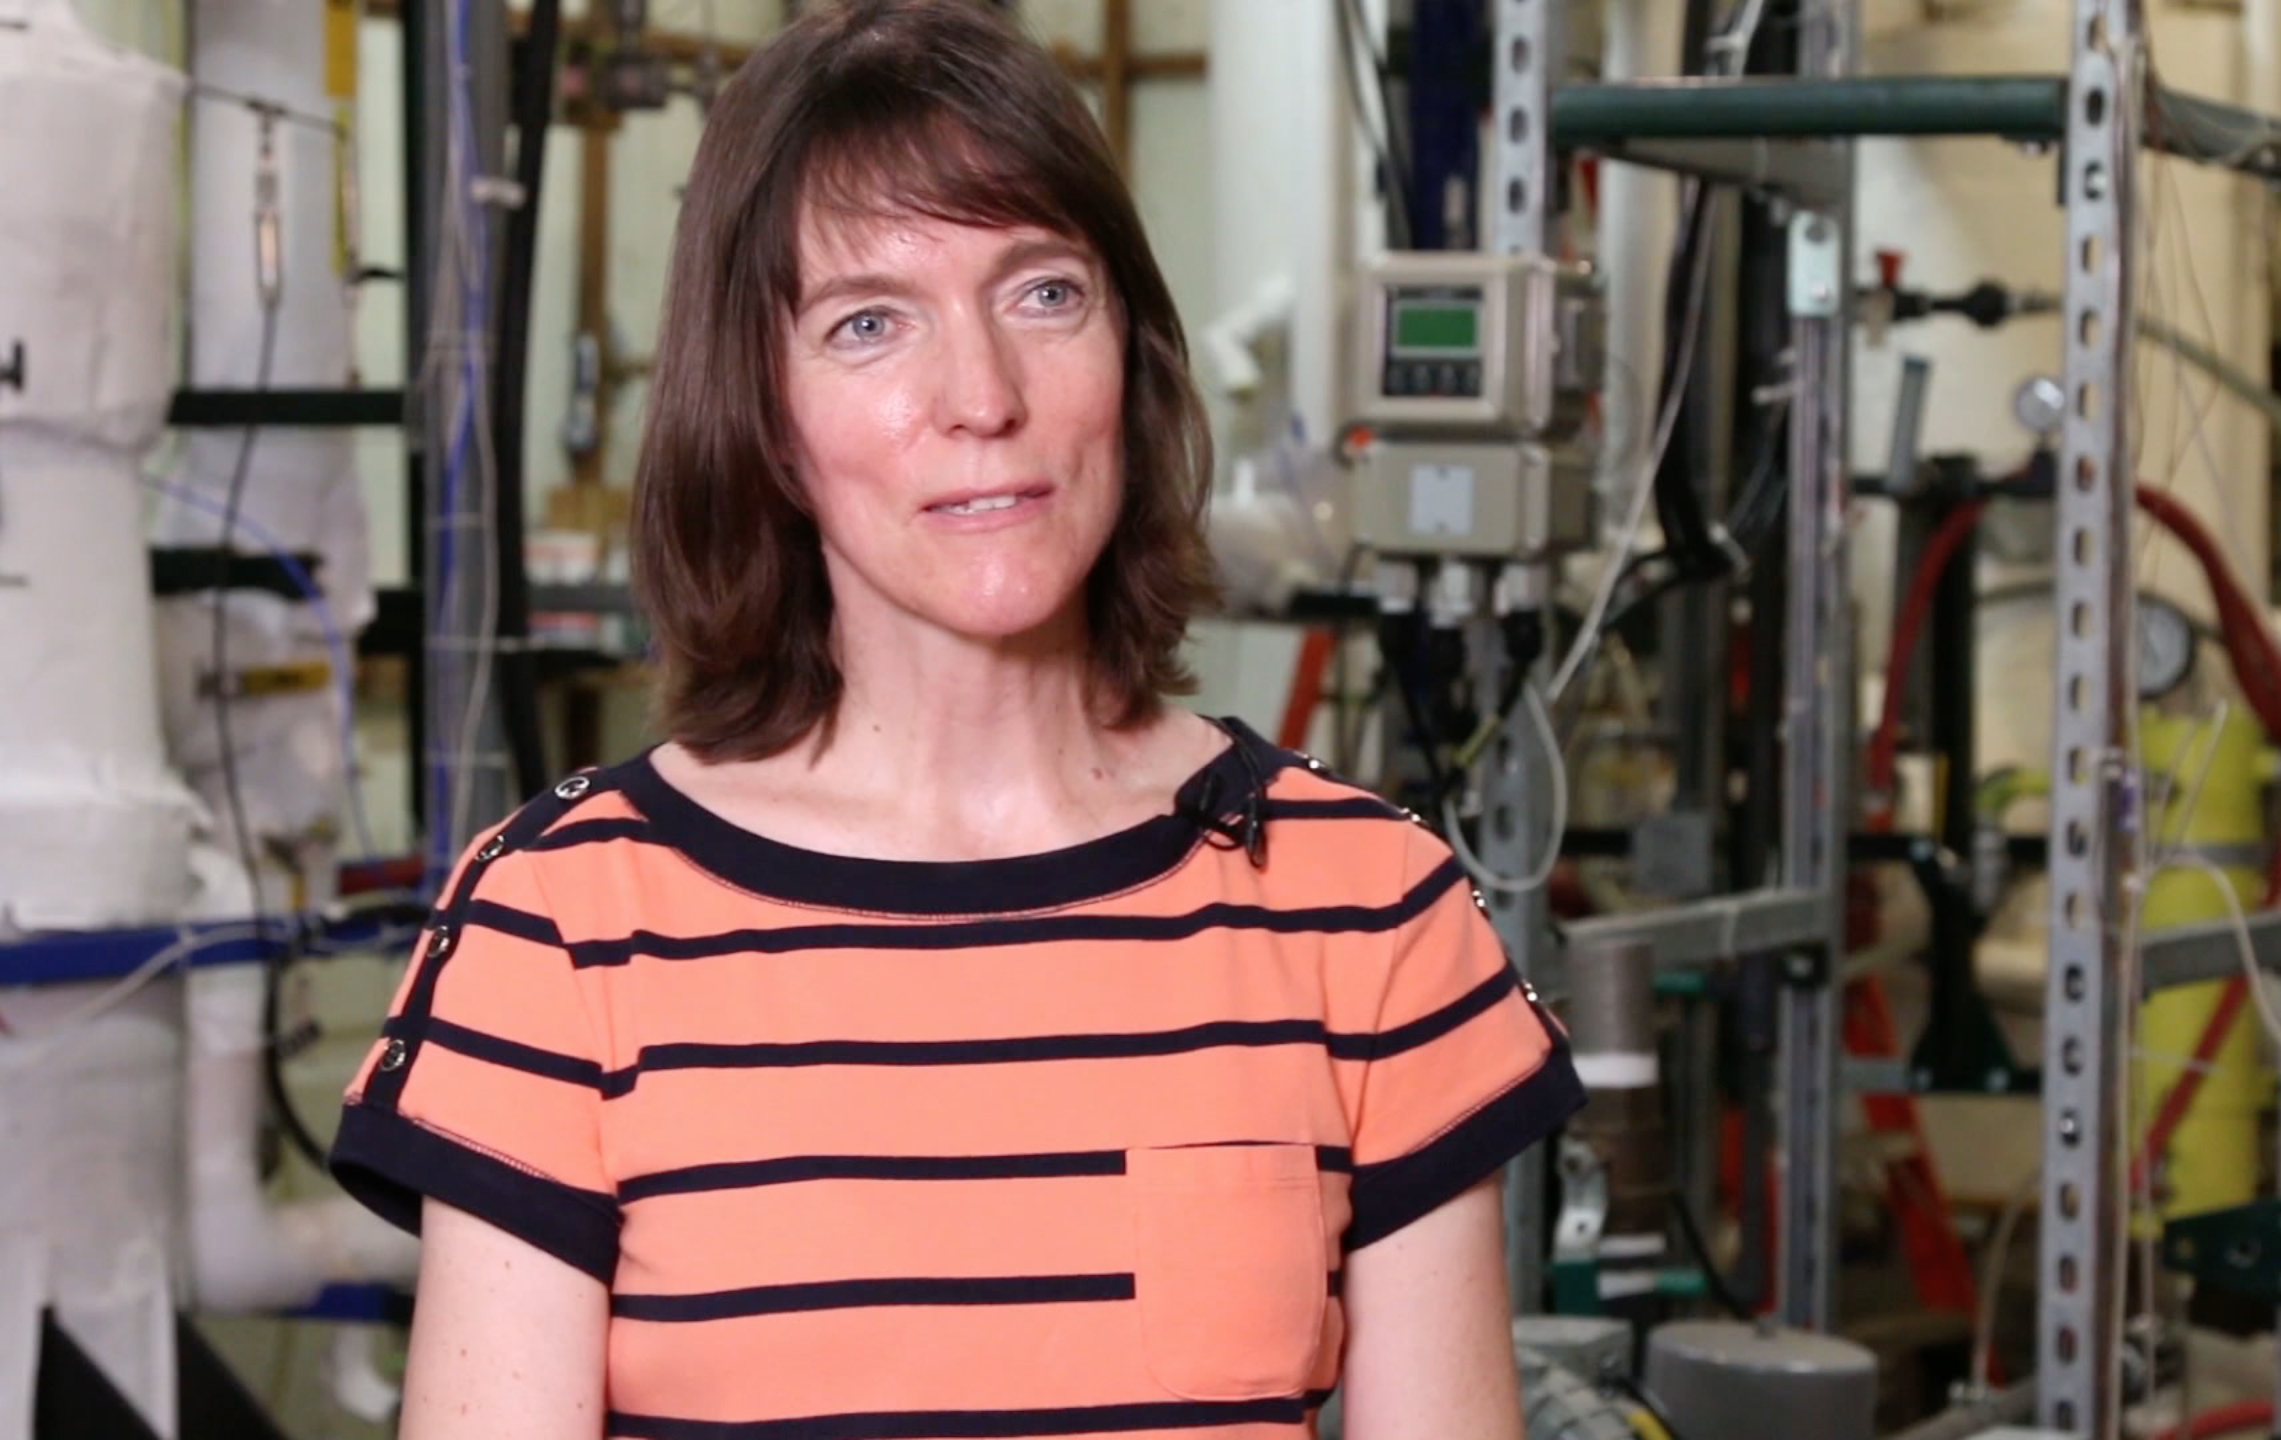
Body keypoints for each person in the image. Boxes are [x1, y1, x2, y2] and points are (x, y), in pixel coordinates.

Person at [329, 2, 1585, 1436]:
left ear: (1130, 349)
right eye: (869, 323)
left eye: (1043, 293)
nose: (982, 396)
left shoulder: (1366, 913)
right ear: (764, 415)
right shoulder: (561, 928)